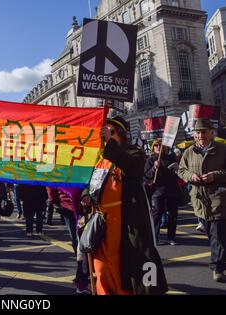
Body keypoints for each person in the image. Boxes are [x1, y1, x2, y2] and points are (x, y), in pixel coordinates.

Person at [82, 116, 168, 295]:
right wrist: (86, 196)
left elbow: (133, 167)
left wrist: (109, 146)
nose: (106, 135)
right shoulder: (100, 159)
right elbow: (91, 184)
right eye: (104, 132)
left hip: (128, 222)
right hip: (103, 224)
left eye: (111, 132)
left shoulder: (134, 152)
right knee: (102, 269)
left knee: (132, 269)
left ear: (121, 134)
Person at [178, 118, 226, 282]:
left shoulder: (222, 149)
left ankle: (217, 268)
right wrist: (190, 176)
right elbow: (181, 170)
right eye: (198, 132)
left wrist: (215, 176)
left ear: (211, 133)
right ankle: (219, 259)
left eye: (204, 132)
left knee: (217, 236)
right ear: (194, 135)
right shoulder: (189, 152)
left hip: (219, 199)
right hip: (199, 201)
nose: (201, 135)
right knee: (211, 234)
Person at [144, 139, 180, 245]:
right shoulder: (150, 160)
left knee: (173, 215)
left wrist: (176, 169)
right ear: (153, 147)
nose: (158, 147)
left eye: (160, 145)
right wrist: (154, 168)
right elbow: (146, 176)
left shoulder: (171, 157)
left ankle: (171, 237)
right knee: (157, 215)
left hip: (172, 190)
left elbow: (179, 171)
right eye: (156, 145)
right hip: (157, 191)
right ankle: (155, 236)